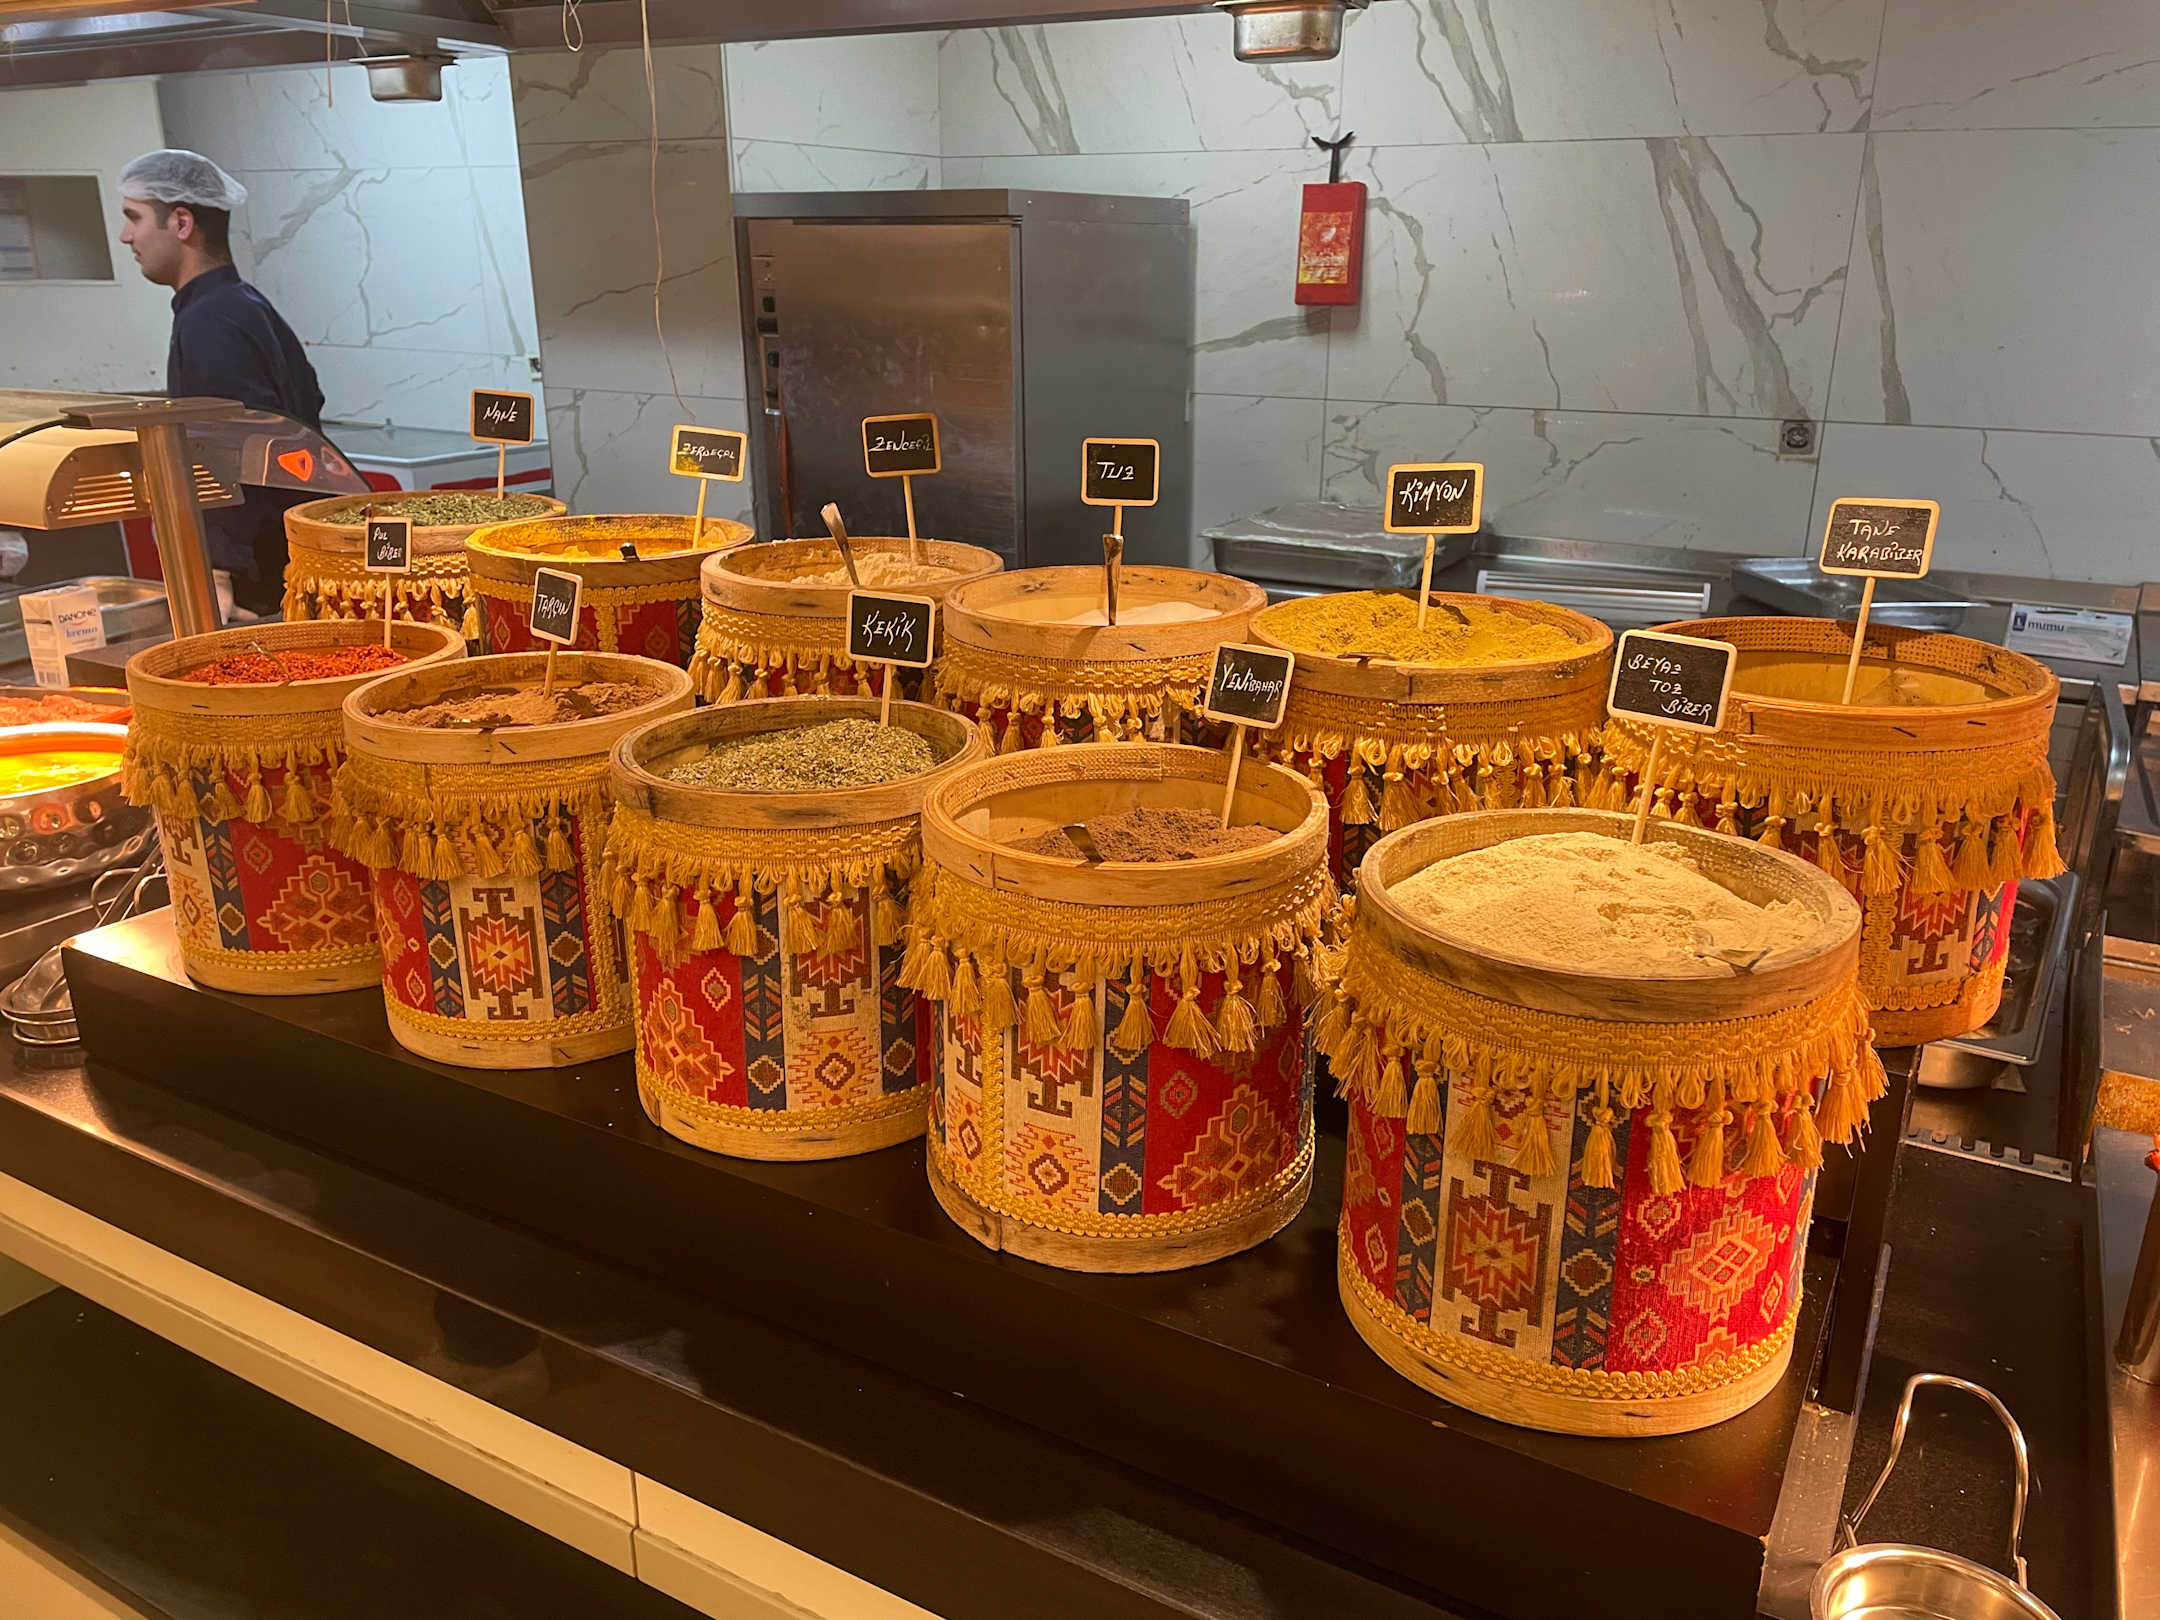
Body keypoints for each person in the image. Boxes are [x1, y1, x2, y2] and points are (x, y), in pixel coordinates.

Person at [118, 149, 324, 616]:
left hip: (261, 584)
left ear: (182, 223)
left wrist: (217, 574)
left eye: (134, 217)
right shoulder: (240, 304)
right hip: (285, 563)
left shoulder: (210, 321)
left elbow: (231, 446)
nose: (126, 235)